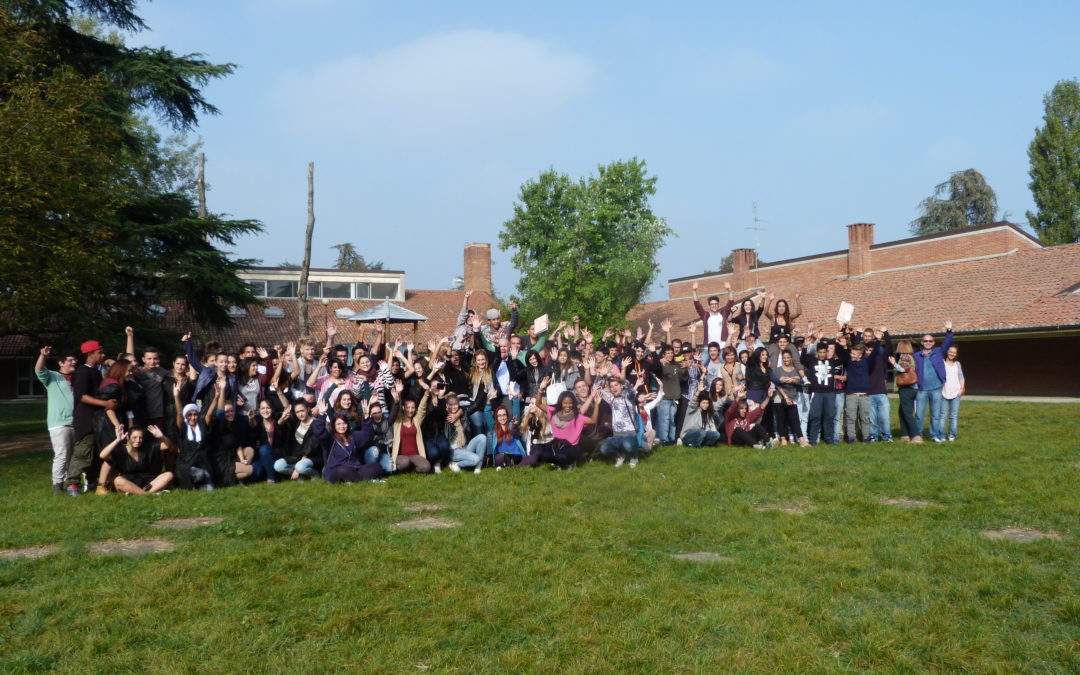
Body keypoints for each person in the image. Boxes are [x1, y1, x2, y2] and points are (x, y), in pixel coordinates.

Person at [65, 340, 114, 496]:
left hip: (96, 421)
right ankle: (72, 484)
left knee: (95, 455)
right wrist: (104, 403)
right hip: (85, 420)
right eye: (100, 352)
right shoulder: (82, 372)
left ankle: (92, 482)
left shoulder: (96, 371)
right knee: (83, 453)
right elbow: (82, 397)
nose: (103, 354)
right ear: (90, 354)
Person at [35, 346, 77, 493]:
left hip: (77, 422)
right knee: (62, 454)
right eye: (70, 360)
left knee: (74, 455)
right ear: (61, 363)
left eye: (75, 360)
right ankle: (58, 484)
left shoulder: (78, 377)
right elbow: (39, 370)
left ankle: (71, 482)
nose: (73, 362)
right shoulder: (52, 376)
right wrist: (43, 356)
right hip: (59, 423)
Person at [312, 400, 382, 483]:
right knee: (342, 470)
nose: (342, 426)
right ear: (334, 426)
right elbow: (319, 432)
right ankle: (363, 480)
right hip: (336, 470)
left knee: (376, 466)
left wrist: (366, 416)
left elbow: (368, 435)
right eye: (338, 424)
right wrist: (322, 415)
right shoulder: (330, 438)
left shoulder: (353, 436)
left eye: (344, 423)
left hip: (355, 468)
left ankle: (353, 480)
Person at [99, 425, 174, 494]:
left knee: (169, 475)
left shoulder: (149, 447)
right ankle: (147, 494)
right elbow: (102, 455)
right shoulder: (120, 450)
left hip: (149, 483)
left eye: (140, 437)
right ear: (128, 437)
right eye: (134, 437)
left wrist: (161, 436)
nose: (138, 440)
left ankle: (139, 493)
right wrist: (117, 440)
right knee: (118, 480)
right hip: (128, 483)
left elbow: (168, 446)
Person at [912, 321, 954, 443]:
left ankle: (934, 435)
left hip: (936, 388)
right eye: (925, 341)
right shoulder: (916, 356)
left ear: (934, 343)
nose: (928, 343)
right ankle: (918, 435)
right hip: (921, 389)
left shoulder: (938, 352)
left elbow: (948, 342)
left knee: (935, 415)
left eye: (930, 341)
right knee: (919, 415)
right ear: (922, 343)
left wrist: (949, 331)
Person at [598, 376, 645, 468]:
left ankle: (634, 456)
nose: (614, 388)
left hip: (630, 433)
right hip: (616, 434)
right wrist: (602, 376)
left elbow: (629, 387)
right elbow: (596, 388)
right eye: (611, 386)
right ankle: (619, 456)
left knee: (627, 445)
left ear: (621, 386)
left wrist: (618, 377)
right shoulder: (611, 399)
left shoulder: (628, 397)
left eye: (616, 385)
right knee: (604, 448)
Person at [274, 400, 319, 480]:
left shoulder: (316, 425)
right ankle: (303, 474)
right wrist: (282, 419)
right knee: (278, 465)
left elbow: (312, 447)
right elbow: (279, 428)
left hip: (311, 457)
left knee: (300, 467)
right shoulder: (296, 423)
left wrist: (297, 469)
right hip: (297, 456)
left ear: (308, 409)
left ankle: (314, 474)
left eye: (302, 410)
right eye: (297, 412)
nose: (300, 414)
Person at [890, 340, 919, 442]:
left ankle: (916, 435)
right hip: (912, 388)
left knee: (907, 413)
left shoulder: (905, 356)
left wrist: (894, 364)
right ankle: (904, 435)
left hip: (906, 388)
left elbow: (903, 369)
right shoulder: (910, 356)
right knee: (902, 411)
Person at [691, 280, 735, 346]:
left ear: (718, 305)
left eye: (716, 304)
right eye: (712, 304)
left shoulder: (723, 314)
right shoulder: (705, 315)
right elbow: (697, 305)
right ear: (709, 306)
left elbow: (730, 303)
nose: (714, 305)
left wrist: (729, 290)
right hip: (708, 346)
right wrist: (694, 291)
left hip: (722, 346)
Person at [941, 344, 965, 441]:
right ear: (947, 352)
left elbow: (961, 377)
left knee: (953, 416)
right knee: (942, 415)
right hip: (943, 392)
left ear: (956, 354)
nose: (952, 354)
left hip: (956, 393)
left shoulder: (958, 364)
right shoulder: (942, 363)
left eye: (954, 352)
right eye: (950, 352)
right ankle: (941, 435)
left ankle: (952, 435)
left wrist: (961, 389)